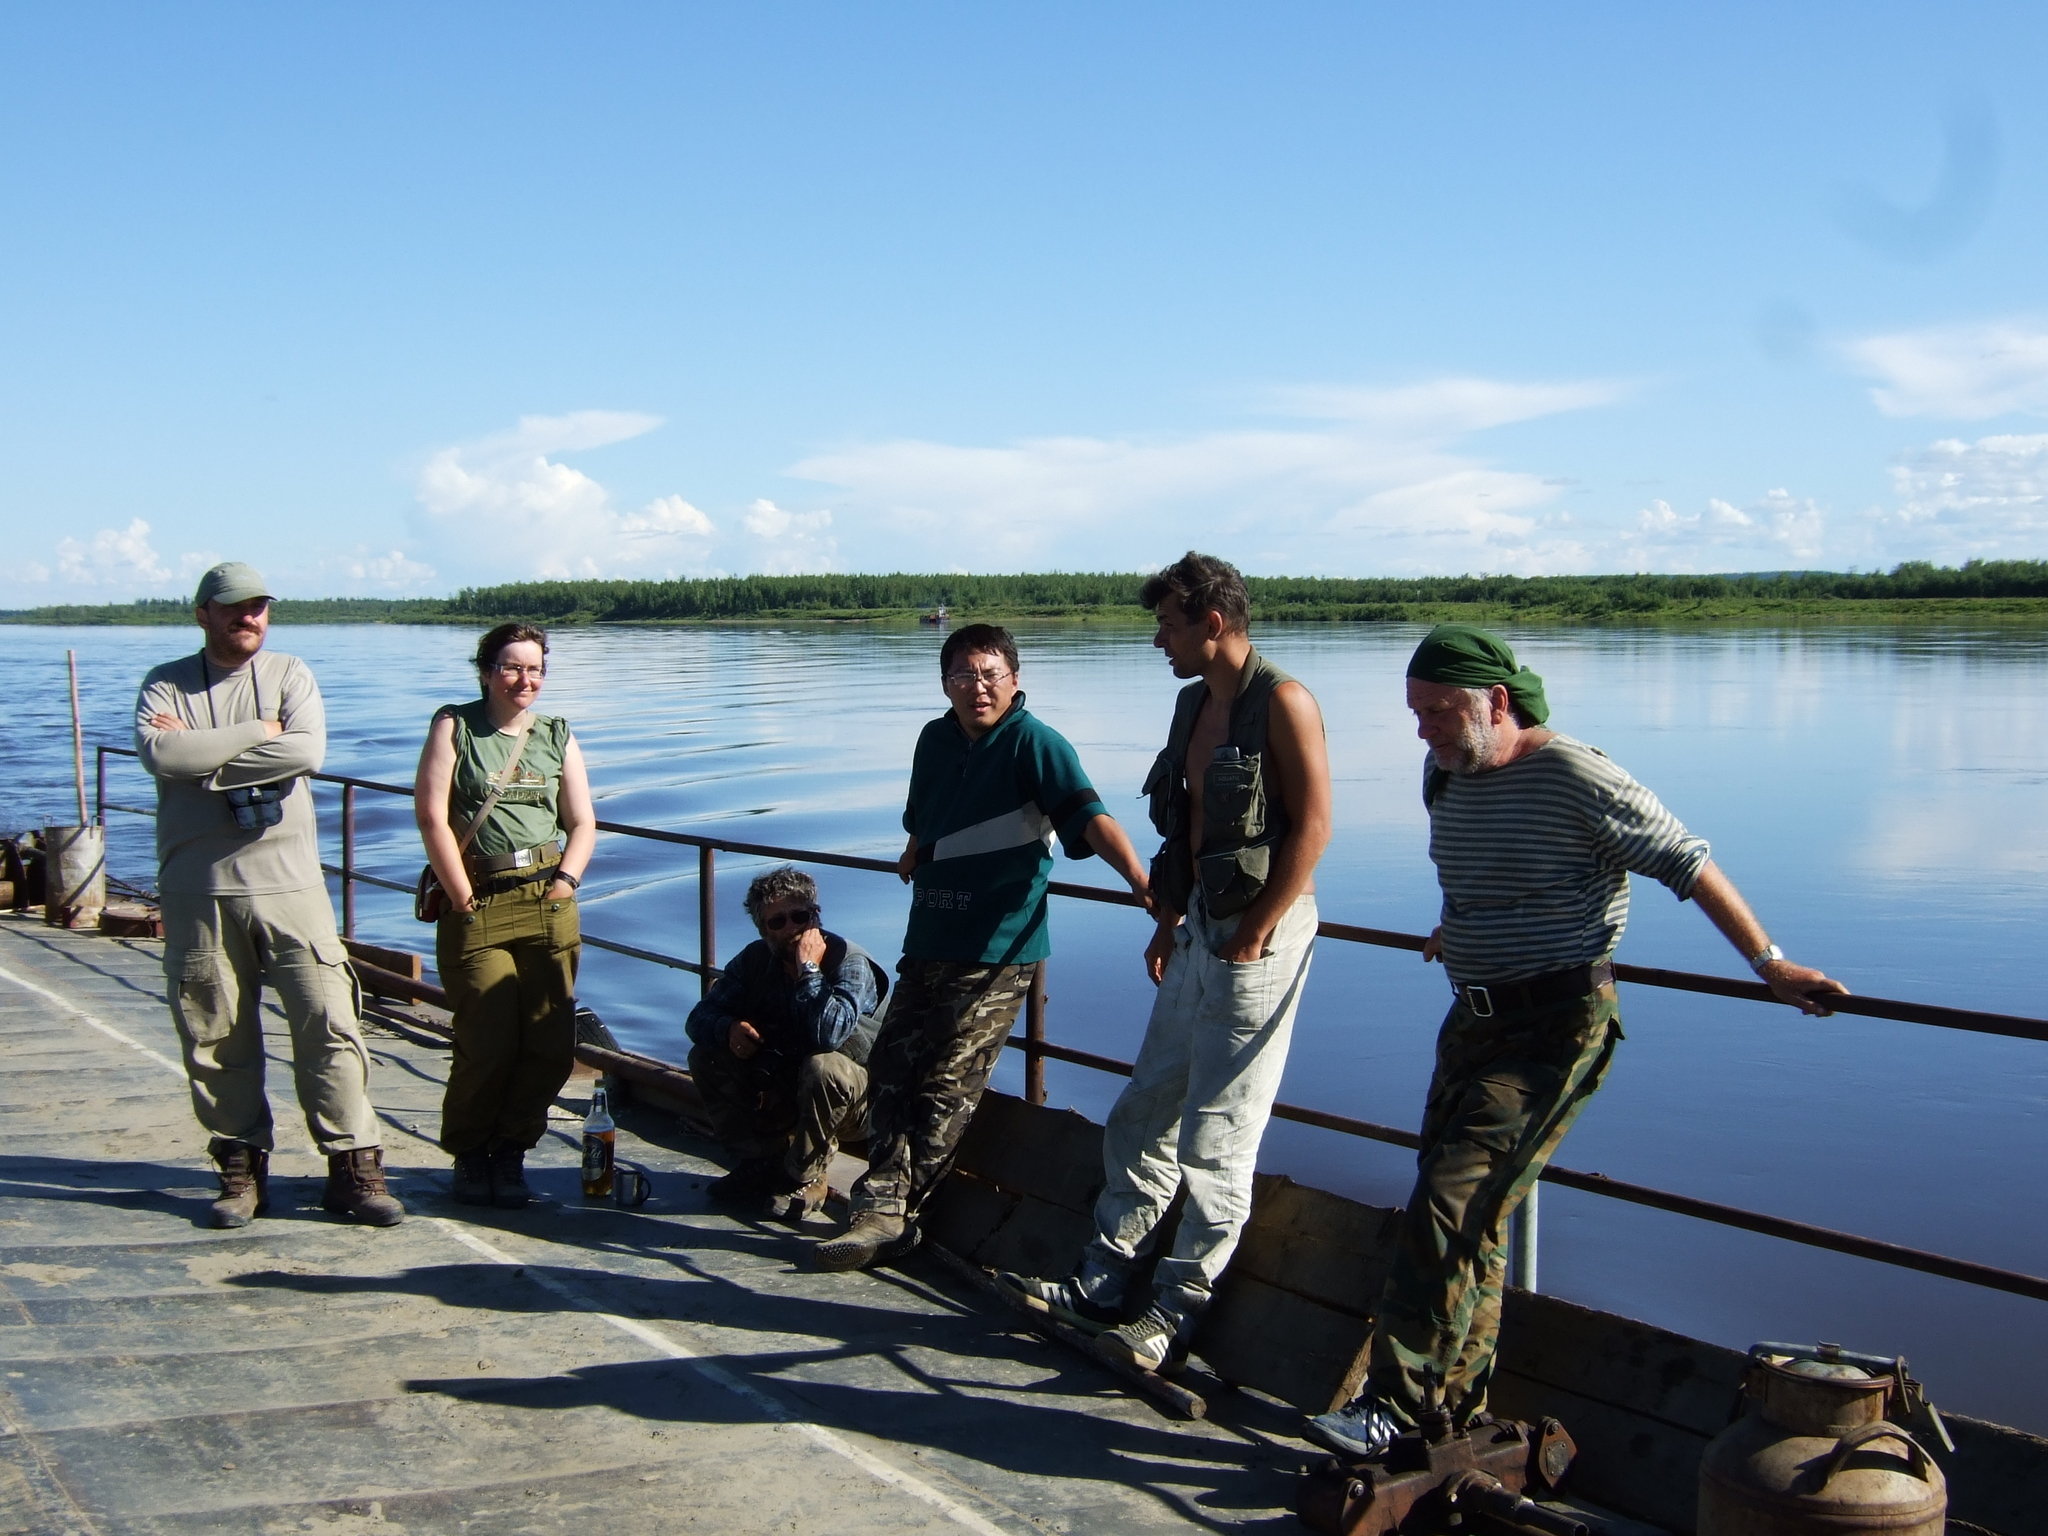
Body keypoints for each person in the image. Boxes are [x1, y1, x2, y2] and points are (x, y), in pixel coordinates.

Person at [1307, 623, 1849, 1458]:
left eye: (1438, 712)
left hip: (1553, 1030)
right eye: (1415, 713)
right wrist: (1462, 925)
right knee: (1472, 1215)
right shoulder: (1447, 773)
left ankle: (1394, 1408)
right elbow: (1489, 866)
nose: (1423, 730)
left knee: (1450, 1198)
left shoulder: (1575, 774)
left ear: (1496, 701)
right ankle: (1452, 1408)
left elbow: (1688, 862)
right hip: (1471, 1020)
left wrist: (1770, 964)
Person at [997, 551, 1331, 1372]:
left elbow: (1315, 828)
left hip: (1262, 939)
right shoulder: (1191, 706)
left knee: (1218, 1135)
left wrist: (1256, 932)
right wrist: (1169, 919)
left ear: (1212, 624)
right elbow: (1184, 827)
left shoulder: (1283, 702)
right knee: (1147, 1107)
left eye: (1168, 624)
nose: (1157, 641)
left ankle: (1174, 1312)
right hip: (1196, 931)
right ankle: (1105, 1280)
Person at [814, 622, 1153, 1270]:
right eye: (964, 675)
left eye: (991, 674)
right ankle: (882, 1205)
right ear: (944, 683)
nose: (978, 688)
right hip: (931, 937)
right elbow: (923, 819)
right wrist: (915, 853)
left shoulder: (1037, 745)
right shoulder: (933, 740)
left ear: (1015, 679)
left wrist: (1140, 881)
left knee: (945, 1085)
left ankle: (891, 1213)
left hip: (998, 950)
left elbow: (1090, 817)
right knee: (890, 1068)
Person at [134, 562, 404, 1229]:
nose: (246, 618)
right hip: (199, 887)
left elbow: (306, 753)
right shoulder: (165, 682)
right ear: (202, 614)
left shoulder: (289, 673)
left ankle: (354, 1168)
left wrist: (206, 757)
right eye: (231, 608)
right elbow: (163, 757)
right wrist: (259, 733)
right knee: (215, 1032)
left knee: (329, 1022)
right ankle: (240, 1167)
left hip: (291, 885)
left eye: (257, 607)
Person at [414, 622, 595, 1209]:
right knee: (486, 1039)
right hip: (480, 898)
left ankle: (512, 1152)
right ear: (487, 670)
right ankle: (471, 1153)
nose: (525, 679)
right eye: (512, 667)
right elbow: (432, 817)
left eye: (535, 668)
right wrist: (461, 896)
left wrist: (566, 881)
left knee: (548, 1043)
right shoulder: (455, 725)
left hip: (547, 899)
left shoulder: (556, 735)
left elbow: (582, 821)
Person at [685, 866, 886, 1222]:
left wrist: (809, 970)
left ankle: (805, 1177)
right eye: (778, 923)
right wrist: (728, 1028)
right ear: (763, 930)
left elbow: (830, 1035)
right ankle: (759, 1161)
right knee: (706, 1055)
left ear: (815, 917)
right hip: (790, 1087)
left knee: (823, 1065)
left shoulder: (849, 963)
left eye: (800, 917)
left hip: (862, 1102)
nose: (791, 929)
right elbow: (697, 1020)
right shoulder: (754, 962)